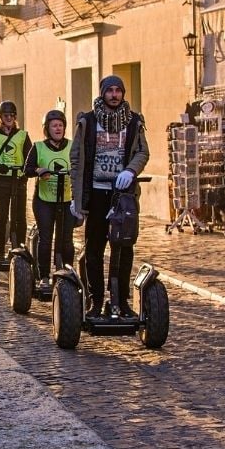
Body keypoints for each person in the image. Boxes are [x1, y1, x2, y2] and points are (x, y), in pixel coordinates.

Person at [70, 75, 149, 319]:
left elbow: (143, 152)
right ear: (102, 93)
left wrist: (130, 170)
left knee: (124, 248)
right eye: (110, 91)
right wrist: (77, 199)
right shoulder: (88, 121)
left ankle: (121, 301)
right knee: (94, 249)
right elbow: (76, 159)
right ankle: (95, 301)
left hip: (122, 196)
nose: (114, 95)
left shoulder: (134, 121)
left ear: (123, 94)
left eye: (118, 91)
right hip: (95, 194)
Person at [24, 109, 75, 291]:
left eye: (61, 125)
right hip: (44, 201)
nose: (58, 128)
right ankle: (44, 276)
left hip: (67, 200)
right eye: (54, 125)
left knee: (66, 240)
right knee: (46, 238)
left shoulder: (72, 146)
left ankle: (66, 274)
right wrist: (39, 171)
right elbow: (27, 169)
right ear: (47, 128)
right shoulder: (38, 147)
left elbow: (80, 166)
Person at [0, 100, 32, 263]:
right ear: (1, 117)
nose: (9, 118)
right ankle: (0, 250)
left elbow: (29, 157)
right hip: (1, 180)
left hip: (18, 180)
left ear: (15, 117)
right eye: (6, 115)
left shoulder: (23, 135)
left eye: (12, 115)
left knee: (19, 216)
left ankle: (19, 247)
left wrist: (25, 173)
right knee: (2, 215)